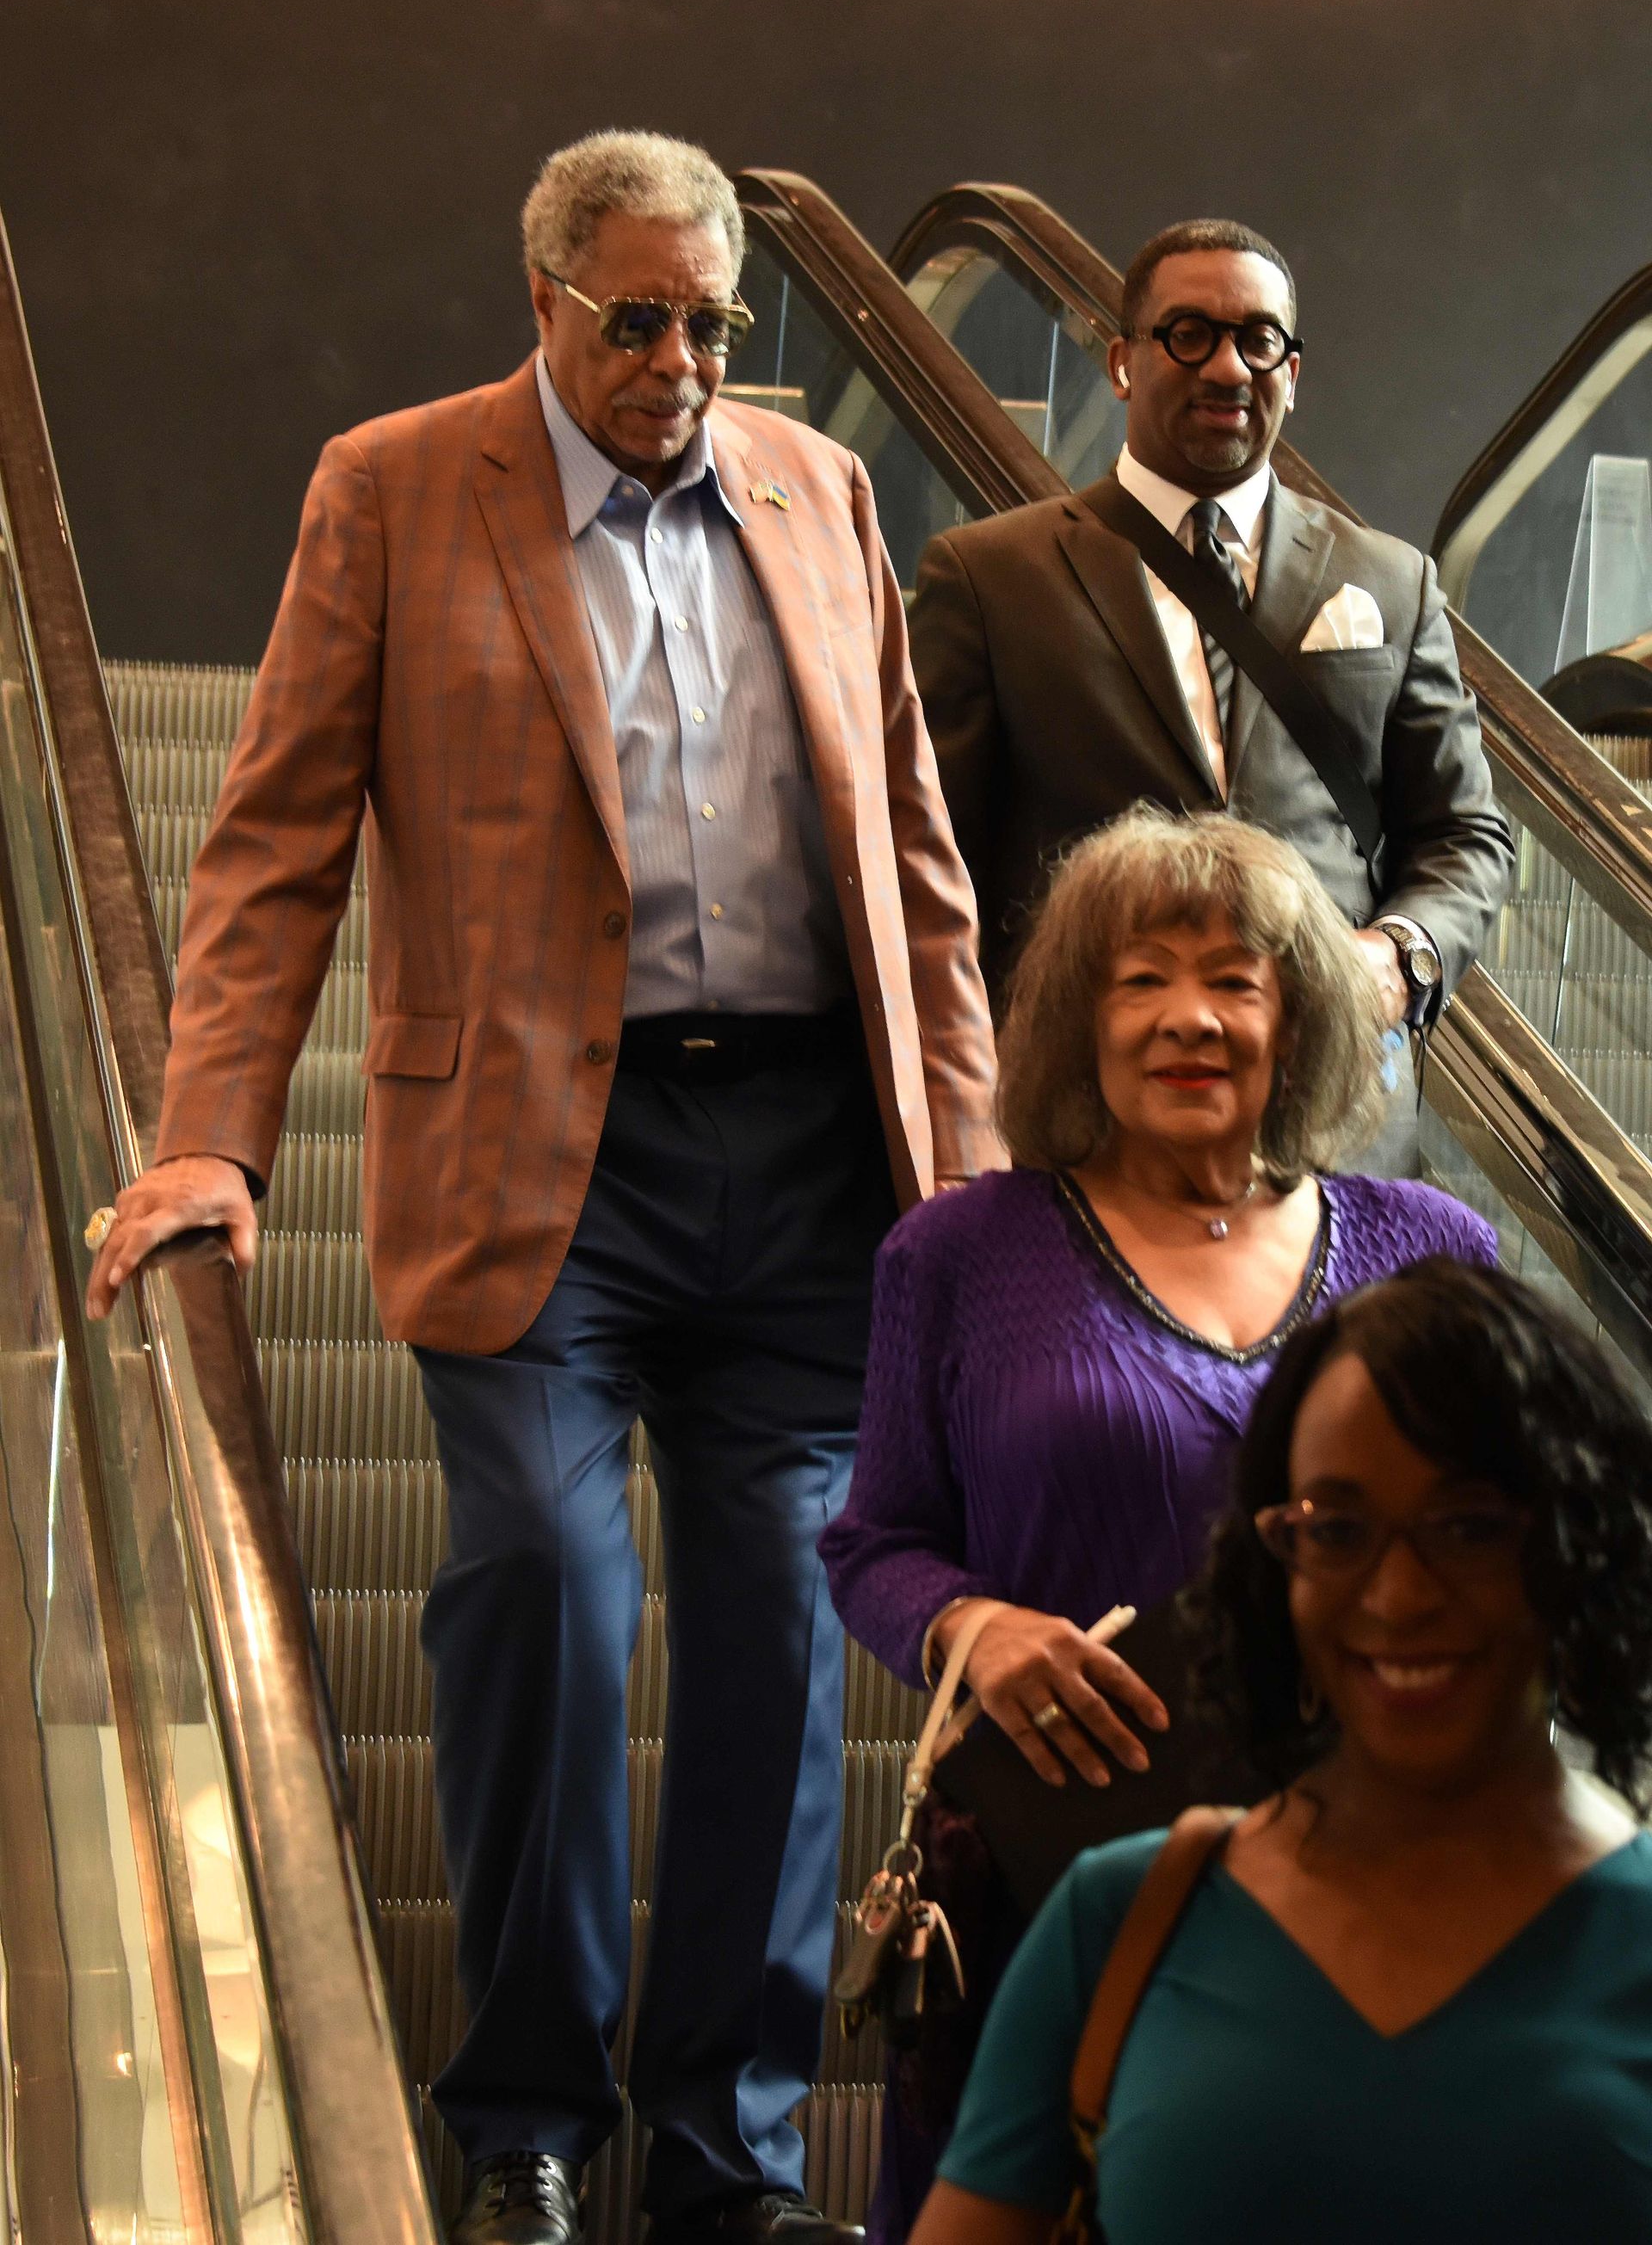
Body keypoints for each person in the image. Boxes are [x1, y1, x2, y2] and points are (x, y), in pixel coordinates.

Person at [84, 131, 1002, 2245]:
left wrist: (969, 1178)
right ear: (542, 300)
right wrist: (212, 1130)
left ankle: (727, 2145)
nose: (683, 359)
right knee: (544, 1590)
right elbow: (275, 839)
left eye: (712, 321)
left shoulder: (822, 491)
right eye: (639, 318)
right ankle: (524, 2121)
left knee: (784, 1627)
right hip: (530, 1160)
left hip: (802, 1160)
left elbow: (921, 883)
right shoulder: (397, 487)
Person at [818, 806, 1496, 2243]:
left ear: (1297, 1018)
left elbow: (1516, 1548)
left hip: (1366, 1878)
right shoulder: (954, 1252)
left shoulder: (1433, 1251)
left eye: (1237, 979)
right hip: (1042, 1882)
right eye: (1142, 979)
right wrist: (973, 1624)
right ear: (1079, 1018)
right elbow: (873, 1543)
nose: (1191, 1016)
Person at [918, 1261, 1652, 2245]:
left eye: (1468, 1526)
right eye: (1338, 1529)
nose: (1398, 1596)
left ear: (1578, 1541)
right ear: (1276, 1568)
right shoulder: (1125, 1913)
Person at [907, 215, 1513, 1167]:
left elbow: (1465, 833)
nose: (1227, 366)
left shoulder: (1393, 581)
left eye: (1258, 338)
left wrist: (1401, 953)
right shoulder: (990, 576)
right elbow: (934, 861)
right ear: (1121, 362)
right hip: (1087, 1122)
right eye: (1189, 334)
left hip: (1334, 1114)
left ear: (1292, 372)